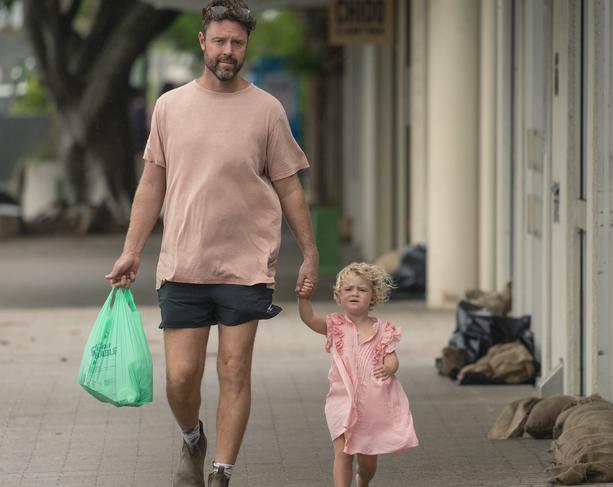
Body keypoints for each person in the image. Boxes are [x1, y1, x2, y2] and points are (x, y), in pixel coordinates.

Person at [105, 1, 319, 486]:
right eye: (220, 41)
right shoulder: (170, 106)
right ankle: (191, 437)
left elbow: (288, 185)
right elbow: (152, 183)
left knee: (234, 370)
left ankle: (221, 472)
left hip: (247, 264)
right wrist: (132, 248)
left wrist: (310, 252)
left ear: (246, 47)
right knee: (180, 378)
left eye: (237, 43)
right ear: (203, 41)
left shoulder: (267, 109)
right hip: (183, 262)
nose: (228, 51)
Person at [297, 263, 418, 487]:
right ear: (339, 296)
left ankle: (363, 479)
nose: (355, 293)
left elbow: (391, 356)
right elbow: (309, 319)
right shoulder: (334, 325)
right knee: (343, 453)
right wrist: (303, 299)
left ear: (373, 297)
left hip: (373, 404)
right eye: (348, 289)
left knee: (368, 460)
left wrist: (390, 367)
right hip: (341, 400)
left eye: (362, 290)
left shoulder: (383, 330)